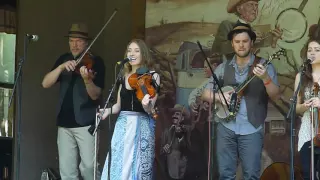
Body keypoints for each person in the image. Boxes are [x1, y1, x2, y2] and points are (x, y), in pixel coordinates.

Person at [201, 23, 280, 180]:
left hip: (252, 127)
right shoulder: (223, 67)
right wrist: (220, 98)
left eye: (245, 41)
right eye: (237, 42)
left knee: (251, 174)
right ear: (232, 44)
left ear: (251, 42)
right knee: (225, 174)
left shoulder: (265, 65)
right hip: (226, 128)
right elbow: (205, 93)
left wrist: (265, 78)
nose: (241, 45)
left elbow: (276, 95)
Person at [42, 23, 105, 180]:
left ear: (86, 42)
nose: (74, 44)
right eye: (71, 40)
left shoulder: (96, 62)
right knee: (67, 172)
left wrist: (87, 80)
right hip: (64, 123)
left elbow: (96, 95)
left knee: (89, 168)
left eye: (79, 40)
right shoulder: (63, 59)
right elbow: (45, 83)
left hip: (86, 122)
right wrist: (61, 67)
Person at [99, 39, 160, 180]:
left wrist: (146, 104)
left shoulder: (153, 76)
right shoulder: (123, 76)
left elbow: (150, 108)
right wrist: (107, 111)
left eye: (137, 50)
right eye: (129, 50)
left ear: (144, 54)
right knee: (118, 162)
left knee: (139, 164)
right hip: (123, 125)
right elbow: (118, 106)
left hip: (142, 125)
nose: (132, 53)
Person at [295, 38, 320, 180]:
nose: (312, 53)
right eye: (310, 50)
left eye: (317, 50)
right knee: (307, 173)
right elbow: (296, 108)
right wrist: (305, 106)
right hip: (307, 132)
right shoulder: (301, 77)